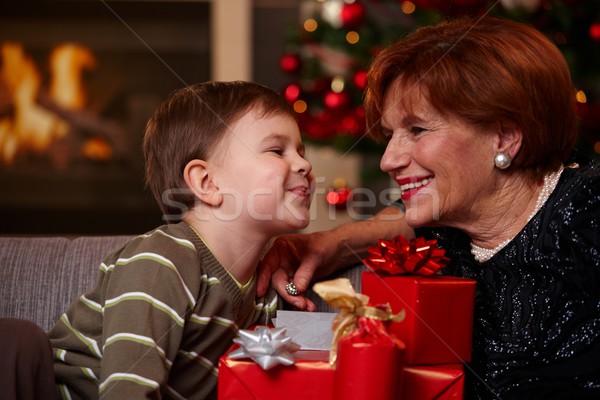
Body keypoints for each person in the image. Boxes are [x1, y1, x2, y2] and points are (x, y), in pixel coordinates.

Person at [258, 16, 600, 399]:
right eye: (390, 135)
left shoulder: (587, 211)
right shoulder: (447, 233)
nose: (389, 160)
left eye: (417, 130)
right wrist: (332, 242)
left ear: (504, 137)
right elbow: (401, 218)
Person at [2, 80, 314, 399]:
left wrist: (297, 299)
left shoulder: (263, 290)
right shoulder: (163, 261)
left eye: (300, 152)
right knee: (17, 341)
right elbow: (128, 392)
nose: (305, 164)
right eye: (278, 150)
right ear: (207, 182)